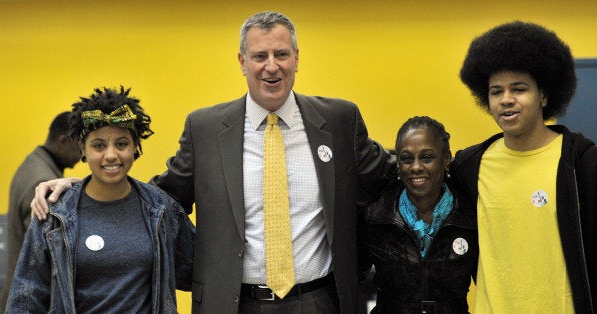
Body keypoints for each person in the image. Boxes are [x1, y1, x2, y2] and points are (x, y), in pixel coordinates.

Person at [31, 12, 395, 313]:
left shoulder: (338, 120)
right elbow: (160, 197)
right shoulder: (205, 128)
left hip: (320, 301)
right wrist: (84, 187)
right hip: (233, 303)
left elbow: (389, 178)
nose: (272, 67)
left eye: (281, 54)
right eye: (260, 56)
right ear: (242, 62)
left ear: (297, 57)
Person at [452, 21, 597, 313]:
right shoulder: (469, 168)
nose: (506, 100)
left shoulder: (584, 164)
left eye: (519, 89)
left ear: (543, 95)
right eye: (496, 91)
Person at [7, 87, 194, 312]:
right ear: (82, 150)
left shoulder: (162, 208)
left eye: (122, 143)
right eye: (98, 145)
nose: (111, 154)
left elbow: (199, 271)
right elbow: (26, 298)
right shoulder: (54, 214)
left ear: (135, 147)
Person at [359, 116, 477, 313]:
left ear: (446, 159)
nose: (415, 167)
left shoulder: (469, 217)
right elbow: (350, 282)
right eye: (406, 158)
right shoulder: (375, 216)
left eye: (426, 157)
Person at [0, 112, 80, 313]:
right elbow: (45, 256)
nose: (83, 157)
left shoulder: (33, 164)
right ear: (63, 140)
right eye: (80, 147)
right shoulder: (42, 182)